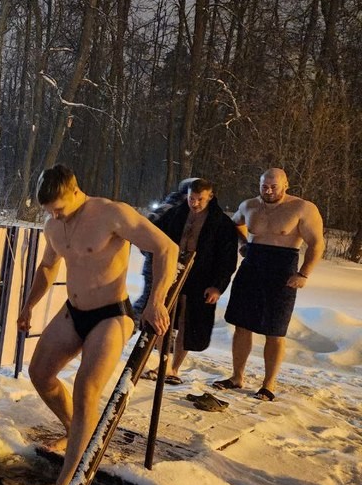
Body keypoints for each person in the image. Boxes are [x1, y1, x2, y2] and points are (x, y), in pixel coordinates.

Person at [18, 165, 178, 485]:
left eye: (59, 208)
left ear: (75, 191)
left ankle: (68, 481)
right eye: (49, 211)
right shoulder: (53, 224)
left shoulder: (110, 213)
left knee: (86, 389)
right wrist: (28, 305)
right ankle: (75, 429)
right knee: (40, 374)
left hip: (111, 314)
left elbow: (166, 249)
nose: (55, 216)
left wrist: (156, 302)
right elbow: (48, 266)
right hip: (74, 311)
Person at [213, 167, 324, 400]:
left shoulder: (302, 208)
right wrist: (243, 243)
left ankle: (268, 384)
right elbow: (233, 225)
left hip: (282, 270)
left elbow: (317, 244)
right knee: (241, 324)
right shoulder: (249, 205)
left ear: (286, 185)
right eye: (264, 186)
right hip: (252, 266)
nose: (269, 190)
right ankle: (236, 376)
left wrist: (303, 274)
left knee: (274, 330)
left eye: (274, 186)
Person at [147, 178, 238, 383]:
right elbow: (154, 234)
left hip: (201, 277)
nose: (194, 203)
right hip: (171, 272)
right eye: (191, 198)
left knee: (187, 322)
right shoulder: (176, 214)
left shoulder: (221, 223)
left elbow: (227, 258)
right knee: (163, 316)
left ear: (210, 197)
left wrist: (217, 286)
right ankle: (163, 365)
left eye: (199, 199)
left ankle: (174, 369)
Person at [132, 177, 197, 323]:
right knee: (150, 300)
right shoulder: (175, 209)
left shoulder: (166, 205)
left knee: (156, 299)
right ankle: (128, 327)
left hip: (156, 260)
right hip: (160, 261)